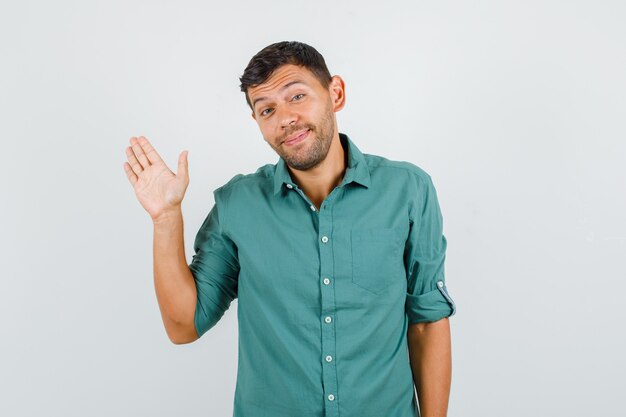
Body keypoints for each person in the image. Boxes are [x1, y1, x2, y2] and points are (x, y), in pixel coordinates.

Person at [123, 41, 456, 417]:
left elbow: (428, 323)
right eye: (267, 109)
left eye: (297, 95)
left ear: (336, 93)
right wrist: (166, 218)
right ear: (258, 123)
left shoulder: (408, 190)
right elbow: (184, 326)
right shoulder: (238, 204)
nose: (285, 118)